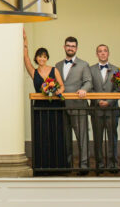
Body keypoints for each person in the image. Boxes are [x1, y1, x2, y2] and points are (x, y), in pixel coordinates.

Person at [22, 30, 68, 175]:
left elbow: (62, 85)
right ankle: (42, 166)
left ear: (47, 58)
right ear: (36, 58)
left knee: (56, 133)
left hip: (55, 105)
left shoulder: (54, 70)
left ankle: (58, 167)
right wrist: (25, 42)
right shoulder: (33, 72)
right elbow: (25, 58)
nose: (42, 59)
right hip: (40, 106)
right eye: (40, 56)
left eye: (44, 56)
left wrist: (58, 91)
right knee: (42, 135)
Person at [57, 36, 92, 172]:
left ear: (76, 48)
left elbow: (88, 81)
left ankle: (84, 166)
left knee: (82, 138)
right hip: (62, 106)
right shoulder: (58, 65)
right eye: (68, 45)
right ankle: (67, 165)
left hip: (78, 106)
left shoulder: (84, 64)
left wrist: (84, 89)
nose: (70, 48)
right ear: (64, 47)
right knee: (65, 139)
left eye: (73, 46)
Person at [90, 44, 120, 174]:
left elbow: (118, 90)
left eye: (105, 51)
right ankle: (100, 165)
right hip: (96, 109)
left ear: (108, 53)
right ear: (97, 54)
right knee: (97, 138)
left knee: (112, 137)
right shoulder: (90, 69)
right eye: (100, 51)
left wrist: (108, 102)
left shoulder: (116, 70)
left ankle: (113, 164)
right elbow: (89, 87)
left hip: (112, 109)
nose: (102, 53)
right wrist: (98, 101)